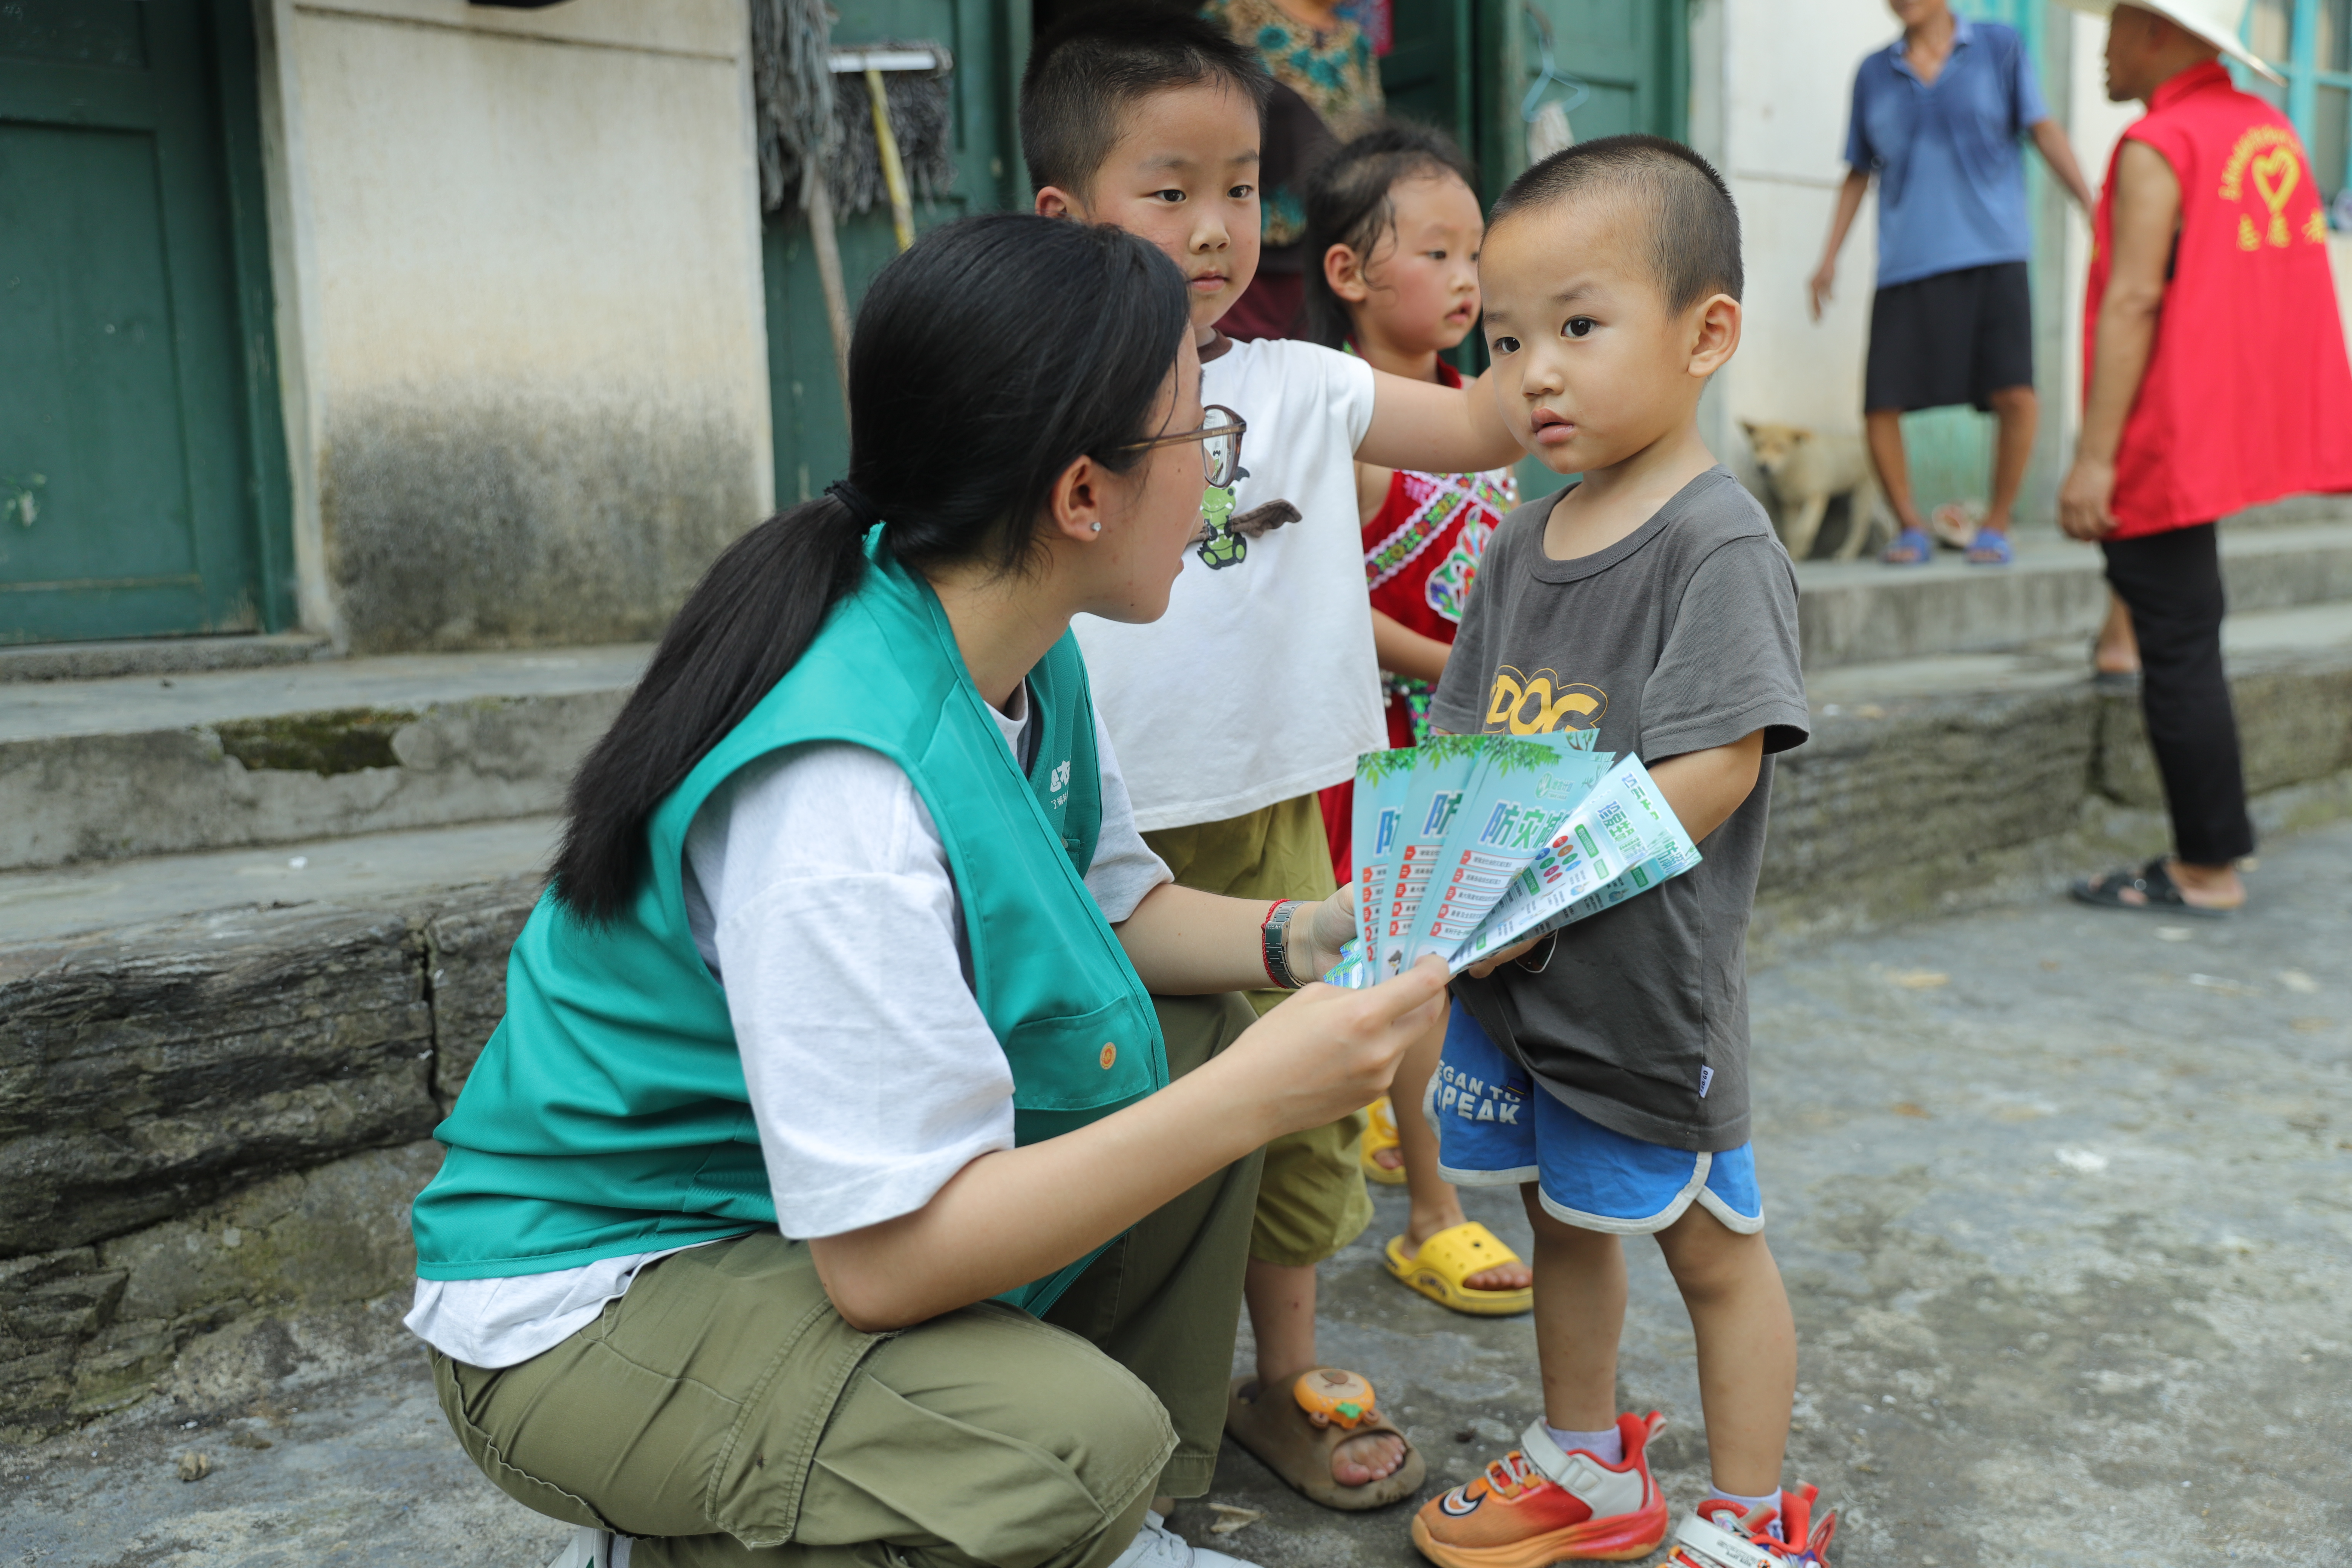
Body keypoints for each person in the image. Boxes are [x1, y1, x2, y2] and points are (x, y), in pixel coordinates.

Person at [401, 213, 1450, 1568]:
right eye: (1199, 434)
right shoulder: (839, 795)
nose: (1215, 473)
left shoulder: (1016, 642)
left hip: (770, 1225)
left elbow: (1112, 912)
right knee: (1068, 1439)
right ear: (1083, 496)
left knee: (1186, 1037)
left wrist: (1312, 936)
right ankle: (697, 1540)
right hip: (597, 1311)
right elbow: (885, 1263)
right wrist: (1259, 1095)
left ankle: (1091, 1520)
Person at [1021, 5, 1525, 1513]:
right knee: (1112, 1114)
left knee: (1306, 1122)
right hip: (1089, 837)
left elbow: (1491, 422)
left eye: (1240, 189)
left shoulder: (1302, 383)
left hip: (1284, 827)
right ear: (1063, 215)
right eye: (1168, 190)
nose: (1214, 227)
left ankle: (1281, 1371)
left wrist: (1564, 301)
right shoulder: (1025, 406)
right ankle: (1090, 1381)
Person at [1407, 138, 1834, 1568]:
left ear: (1705, 333)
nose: (1534, 372)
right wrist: (1445, 893)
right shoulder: (1518, 544)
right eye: (1504, 339)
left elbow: (1714, 766)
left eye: (1578, 327)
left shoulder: (1718, 544)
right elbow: (1462, 742)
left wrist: (1537, 892)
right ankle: (1586, 1462)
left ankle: (1756, 1512)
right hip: (1517, 988)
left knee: (1708, 1243)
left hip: (1644, 993)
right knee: (1562, 1218)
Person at [1298, 121, 1533, 1320]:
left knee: (1444, 971)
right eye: (1435, 253)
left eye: (1475, 253)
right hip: (1378, 754)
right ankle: (1435, 1217)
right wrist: (1460, 671)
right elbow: (1328, 609)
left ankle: (1408, 1127)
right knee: (1408, 973)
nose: (1465, 279)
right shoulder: (1343, 432)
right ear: (1347, 272)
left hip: (1459, 744)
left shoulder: (1473, 411)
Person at [2060, 0, 2352, 916]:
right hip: (2223, 418)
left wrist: (2094, 459)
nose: (2104, 47)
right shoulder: (2266, 129)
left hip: (2166, 430)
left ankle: (2205, 867)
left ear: (2157, 32)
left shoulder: (2160, 143)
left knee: (2179, 641)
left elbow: (2134, 301)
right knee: (2189, 625)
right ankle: (2212, 850)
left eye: (2116, 25)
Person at [1810, 0, 2096, 566]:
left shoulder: (1999, 49)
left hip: (1994, 253)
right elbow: (1858, 170)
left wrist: (2091, 204)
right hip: (1908, 260)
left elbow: (2042, 130)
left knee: (2016, 393)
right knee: (1882, 402)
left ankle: (1997, 524)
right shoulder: (1873, 73)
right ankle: (1911, 527)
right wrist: (1828, 259)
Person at [1202, 0, 1384, 340]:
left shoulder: (1356, 40)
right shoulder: (1236, 11)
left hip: (1333, 216)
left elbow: (1371, 125)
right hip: (1258, 215)